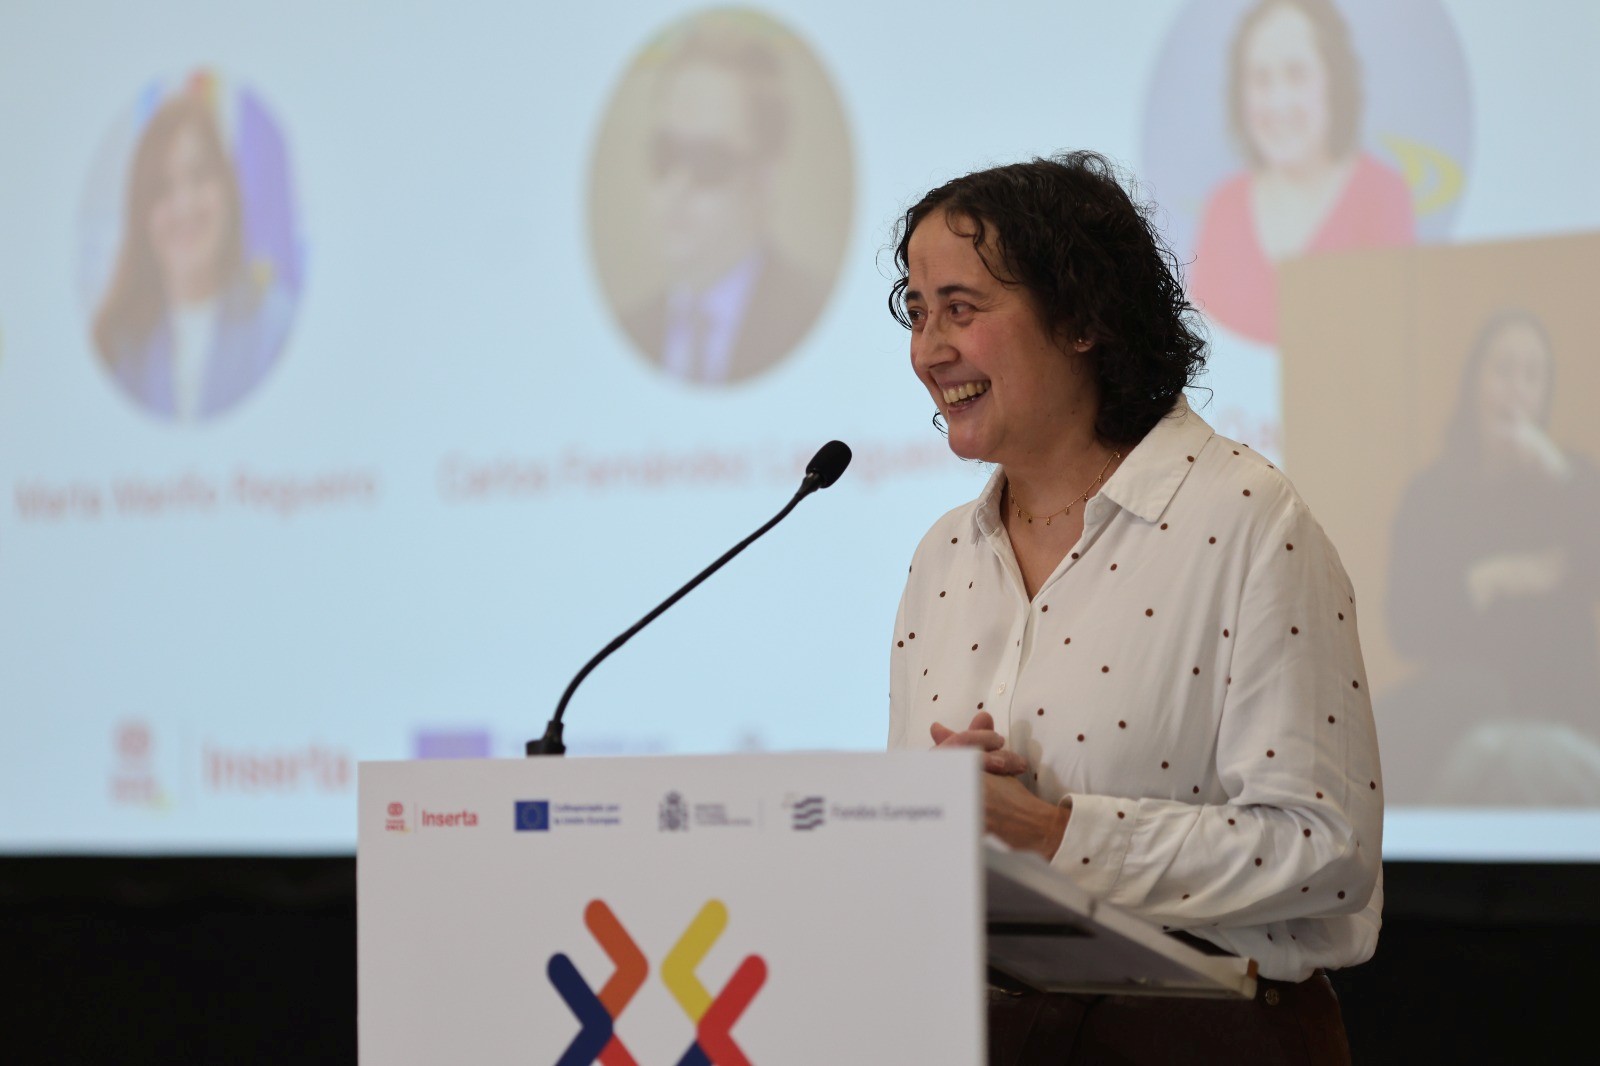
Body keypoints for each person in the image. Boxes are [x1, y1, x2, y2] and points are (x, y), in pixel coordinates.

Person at [887, 151, 1381, 1063]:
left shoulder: (1244, 520)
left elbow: (1328, 851)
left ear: (1079, 317)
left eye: (961, 309)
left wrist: (1056, 835)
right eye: (916, 314)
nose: (928, 349)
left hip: (1199, 1033)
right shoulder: (944, 557)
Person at [1384, 311, 1600, 803]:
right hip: (1461, 723)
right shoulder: (1430, 495)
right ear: (1474, 383)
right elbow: (1406, 627)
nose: (1515, 390)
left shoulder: (1573, 482)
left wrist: (1559, 474)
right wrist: (1490, 580)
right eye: (1502, 370)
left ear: (1546, 393)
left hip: (1563, 718)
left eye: (1532, 375)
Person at [1188, 0, 1414, 345]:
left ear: (1333, 81)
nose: (1278, 101)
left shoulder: (1381, 195)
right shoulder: (1224, 207)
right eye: (1260, 78)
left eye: (1296, 74)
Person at [620, 19, 826, 385]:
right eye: (665, 156)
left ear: (763, 180)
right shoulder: (632, 328)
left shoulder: (809, 314)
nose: (676, 189)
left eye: (708, 161)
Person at [94, 78, 292, 422]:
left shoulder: (278, 329)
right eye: (163, 188)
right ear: (142, 213)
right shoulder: (114, 347)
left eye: (199, 177)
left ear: (228, 190)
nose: (184, 205)